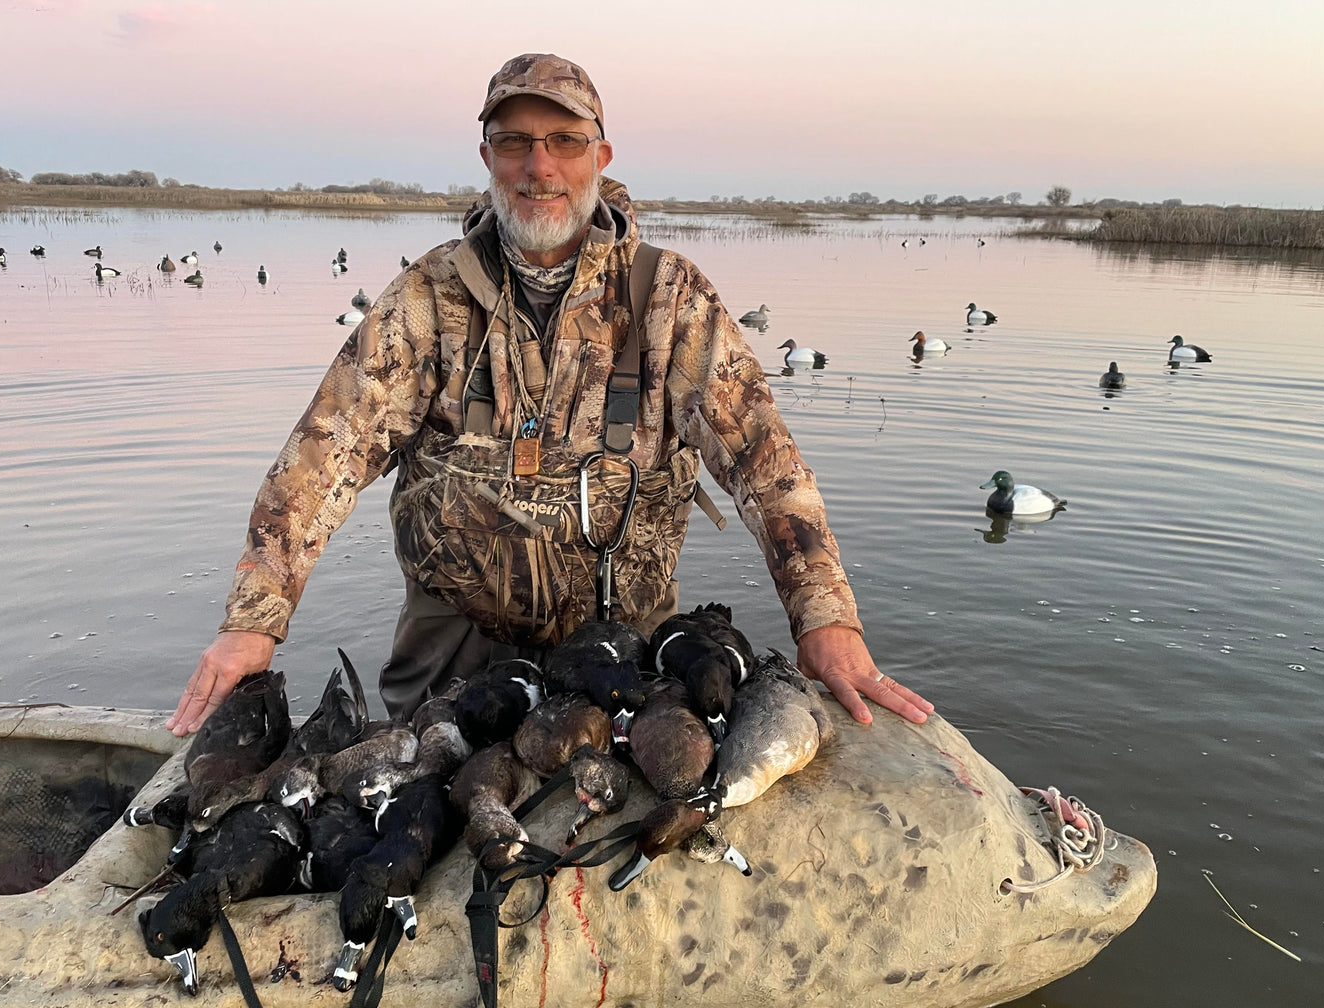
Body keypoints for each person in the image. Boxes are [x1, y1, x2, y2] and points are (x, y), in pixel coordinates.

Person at [168, 53, 932, 737]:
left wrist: (825, 617)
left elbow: (766, 463)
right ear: (487, 157)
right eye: (515, 142)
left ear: (601, 155)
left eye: (565, 140)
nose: (540, 166)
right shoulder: (428, 296)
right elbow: (321, 458)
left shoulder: (669, 297)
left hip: (628, 658)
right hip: (452, 657)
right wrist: (254, 622)